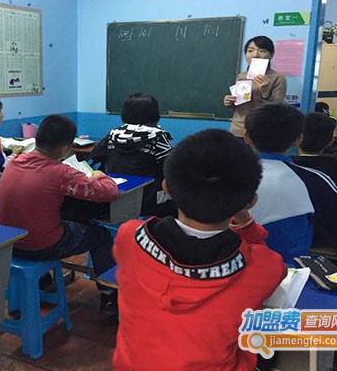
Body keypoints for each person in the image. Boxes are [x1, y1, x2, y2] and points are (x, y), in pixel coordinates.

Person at [112, 128, 286, 371]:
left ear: (167, 188)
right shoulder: (263, 266)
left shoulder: (128, 236)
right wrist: (245, 223)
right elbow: (267, 265)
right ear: (250, 202)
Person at [0, 115, 119, 301]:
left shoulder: (13, 162)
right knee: (101, 235)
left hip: (9, 242)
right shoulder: (60, 172)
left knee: (56, 218)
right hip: (41, 246)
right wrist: (100, 176)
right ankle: (108, 293)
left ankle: (42, 282)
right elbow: (109, 192)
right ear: (64, 149)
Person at [244, 104, 337, 262]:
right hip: (288, 271)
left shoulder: (223, 177)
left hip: (226, 268)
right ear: (298, 140)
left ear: (246, 136)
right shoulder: (311, 180)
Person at [89, 93, 175, 217]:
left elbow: (95, 155)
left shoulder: (114, 134)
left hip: (117, 195)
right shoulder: (157, 137)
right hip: (149, 200)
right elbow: (174, 165)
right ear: (154, 114)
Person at [223, 36, 287, 138]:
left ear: (271, 55)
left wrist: (265, 93)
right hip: (237, 130)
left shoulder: (278, 78)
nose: (255, 55)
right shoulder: (242, 76)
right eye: (250, 51)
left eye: (262, 51)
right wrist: (230, 103)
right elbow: (239, 109)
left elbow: (276, 111)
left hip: (261, 131)